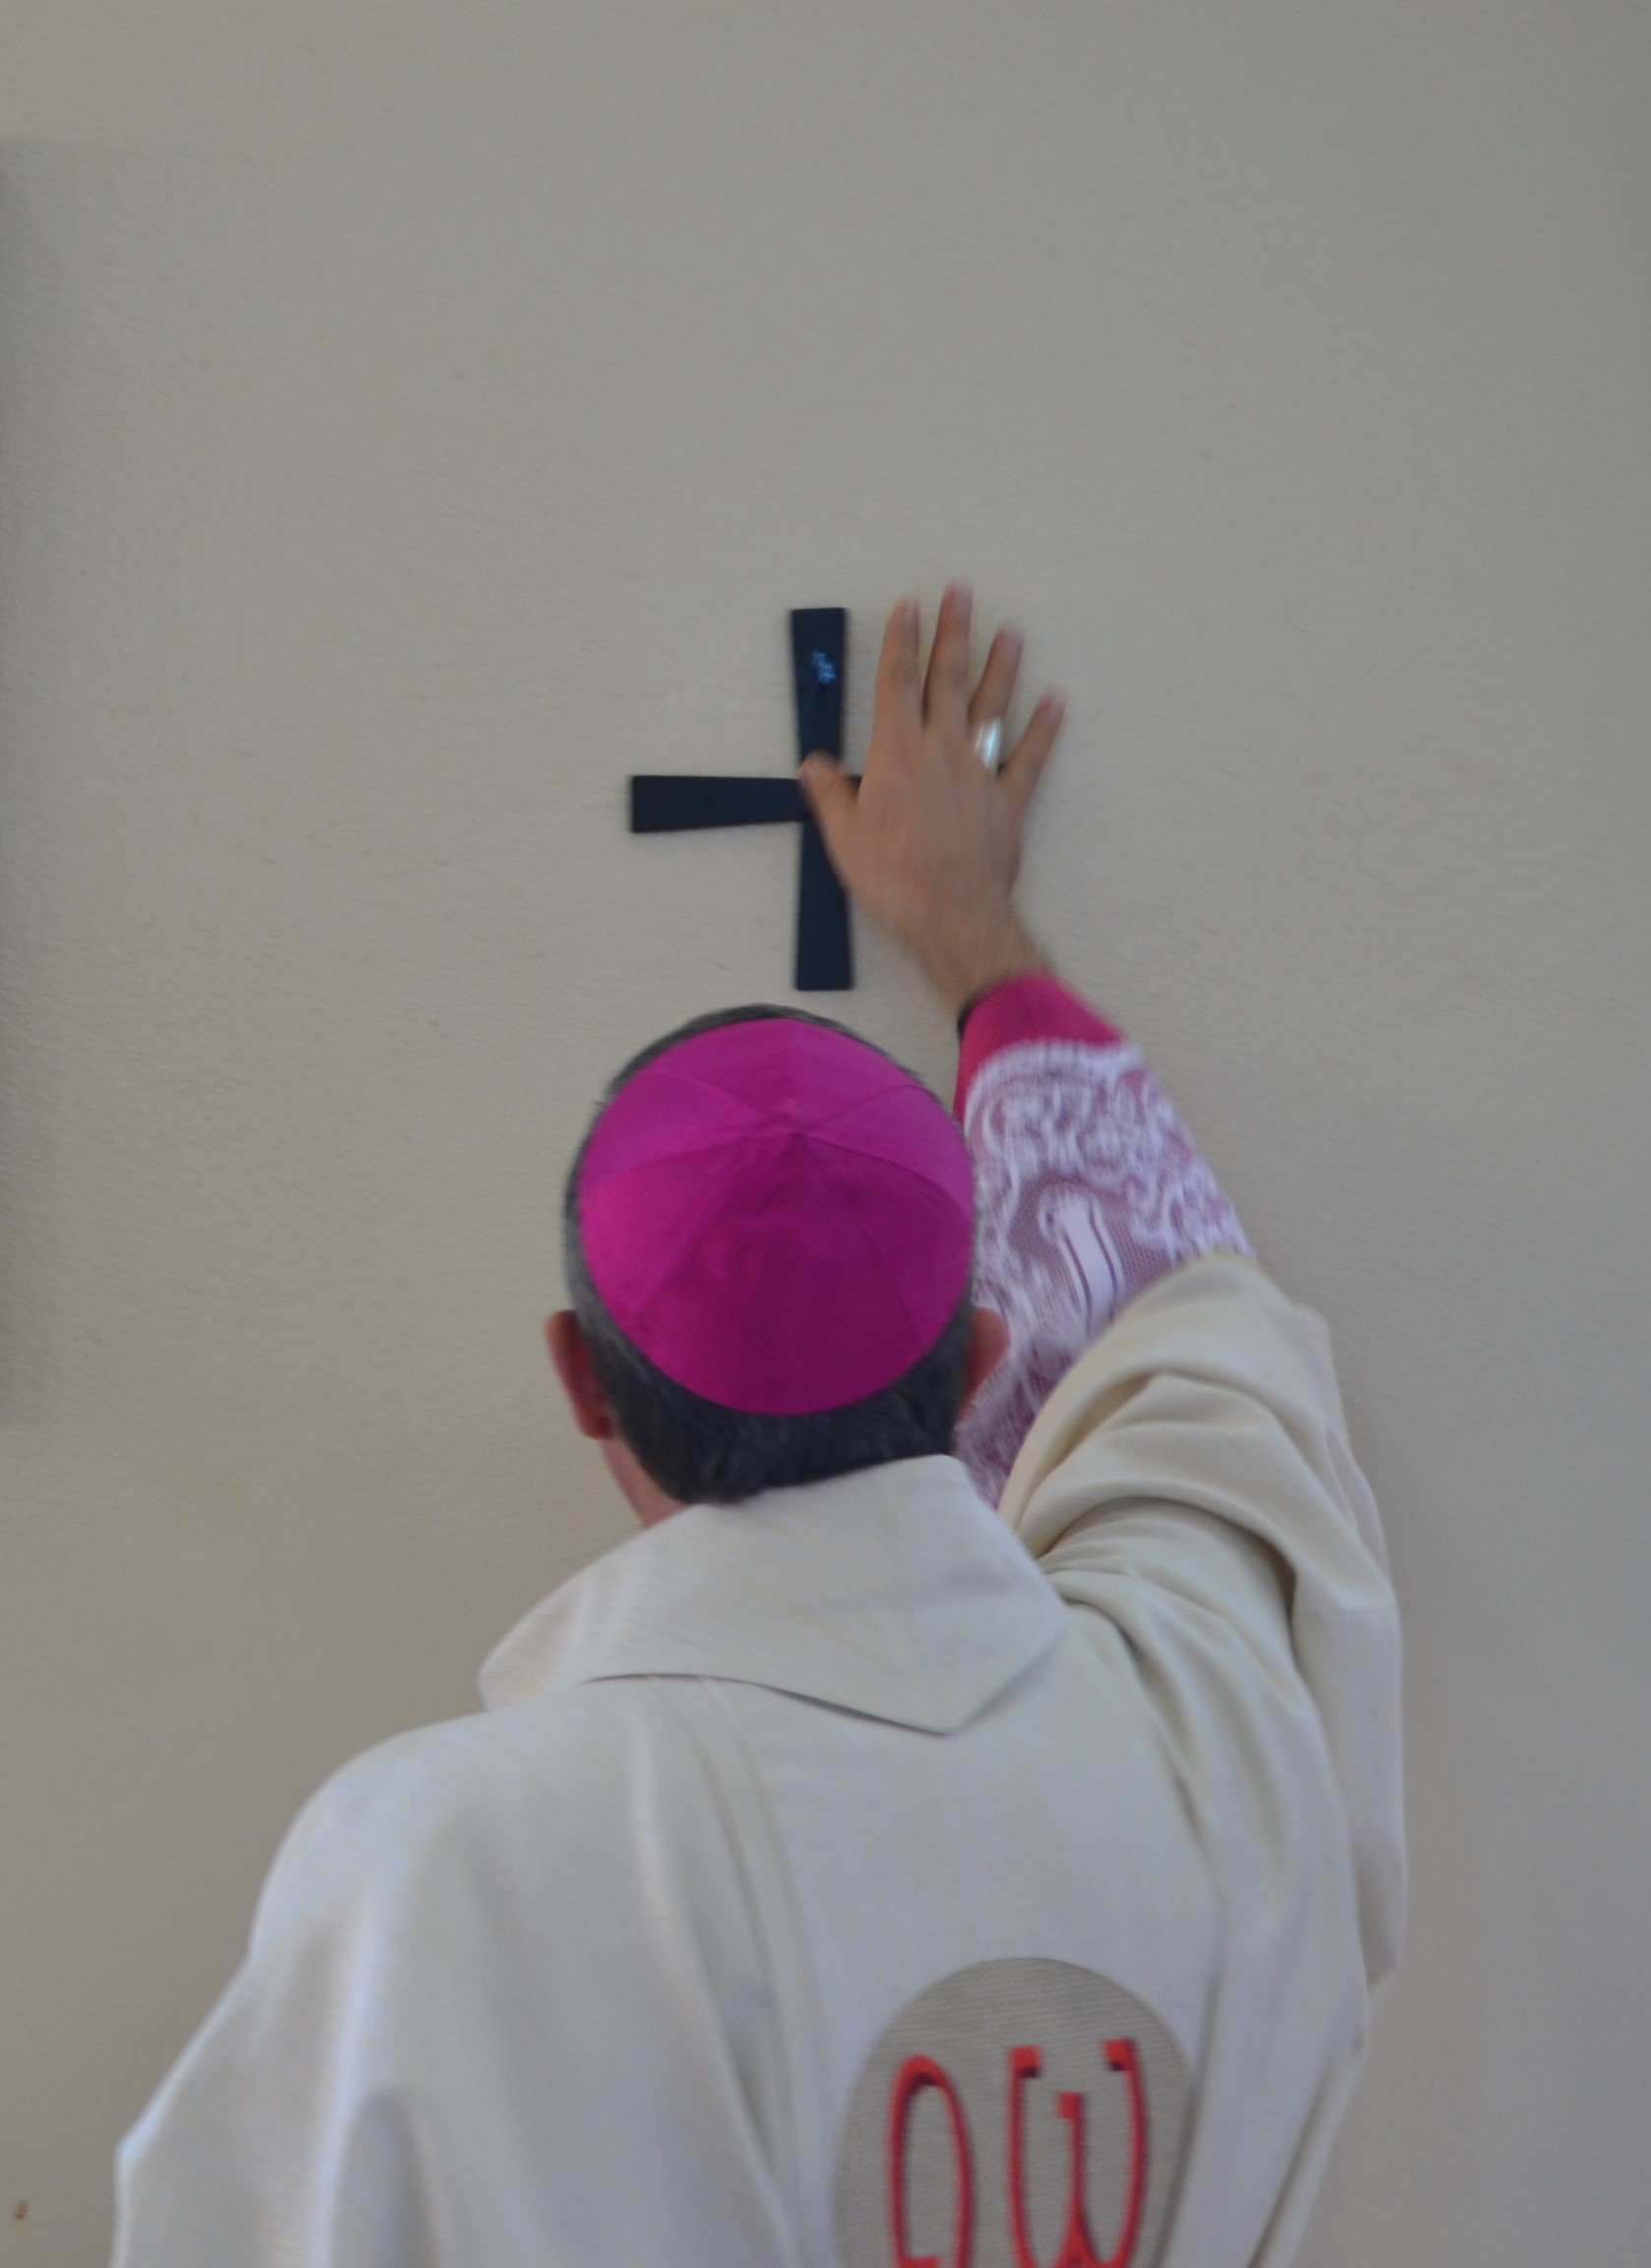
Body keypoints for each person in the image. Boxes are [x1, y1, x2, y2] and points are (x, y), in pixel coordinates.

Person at [111, 587, 1405, 2268]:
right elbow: (1184, 1342)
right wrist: (973, 935)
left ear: (581, 1381)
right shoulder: (1210, 1728)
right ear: (980, 1365)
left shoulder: (444, 1868)